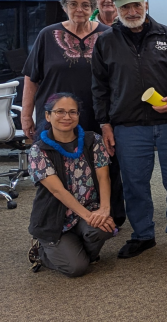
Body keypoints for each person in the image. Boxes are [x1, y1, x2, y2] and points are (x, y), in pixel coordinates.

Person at [91, 0, 167, 259]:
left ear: (146, 5)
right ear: (116, 8)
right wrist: (104, 124)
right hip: (129, 125)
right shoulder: (106, 42)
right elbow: (99, 87)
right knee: (135, 183)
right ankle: (143, 234)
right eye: (125, 6)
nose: (132, 10)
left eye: (137, 4)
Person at [22, 0, 122, 227]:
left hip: (98, 115)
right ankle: (57, 221)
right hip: (57, 117)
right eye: (74, 4)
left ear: (94, 8)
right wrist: (26, 116)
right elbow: (31, 76)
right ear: (64, 7)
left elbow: (117, 77)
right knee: (57, 168)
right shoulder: (47, 35)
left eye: (86, 5)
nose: (79, 9)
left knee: (104, 166)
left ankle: (109, 216)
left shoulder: (108, 34)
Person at [27, 93, 115, 277]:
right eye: (60, 111)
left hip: (88, 210)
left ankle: (74, 248)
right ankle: (43, 253)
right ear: (48, 115)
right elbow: (57, 190)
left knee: (104, 228)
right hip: (55, 219)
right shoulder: (38, 150)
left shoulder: (93, 140)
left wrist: (104, 210)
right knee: (77, 268)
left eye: (72, 112)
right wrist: (89, 217)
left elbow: (103, 177)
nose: (67, 117)